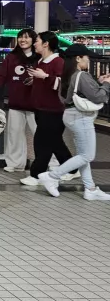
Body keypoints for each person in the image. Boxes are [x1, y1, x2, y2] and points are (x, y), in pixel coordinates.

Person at [38, 45, 110, 200]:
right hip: (81, 117)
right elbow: (99, 97)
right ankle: (52, 176)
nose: (88, 60)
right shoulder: (81, 75)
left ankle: (89, 188)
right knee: (87, 155)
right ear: (78, 58)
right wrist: (106, 84)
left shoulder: (66, 75)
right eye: (86, 57)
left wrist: (97, 82)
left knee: (83, 154)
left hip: (70, 114)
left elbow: (65, 97)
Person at [21, 31, 75, 187]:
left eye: (37, 40)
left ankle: (37, 174)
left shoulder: (58, 62)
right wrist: (34, 79)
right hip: (41, 108)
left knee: (41, 142)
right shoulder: (40, 62)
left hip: (54, 110)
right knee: (55, 142)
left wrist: (44, 77)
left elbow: (63, 84)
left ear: (46, 43)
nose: (34, 43)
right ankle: (73, 169)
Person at [0, 29, 38, 173]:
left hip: (36, 104)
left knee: (41, 133)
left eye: (26, 38)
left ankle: (51, 162)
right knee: (14, 133)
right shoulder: (11, 57)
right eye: (20, 38)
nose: (23, 40)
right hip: (16, 102)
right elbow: (0, 76)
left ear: (33, 40)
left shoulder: (39, 57)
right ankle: (15, 163)